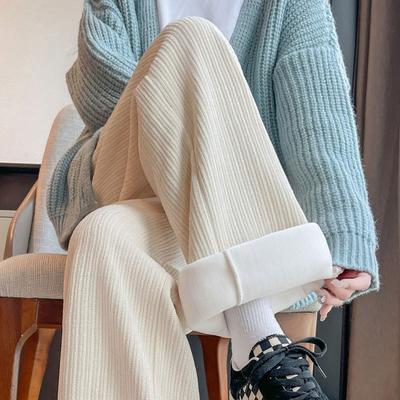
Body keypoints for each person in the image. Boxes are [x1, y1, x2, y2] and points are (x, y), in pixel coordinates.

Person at [47, 1, 379, 399]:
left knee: (104, 237)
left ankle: (255, 337)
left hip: (168, 221)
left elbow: (319, 115)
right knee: (191, 39)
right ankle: (258, 337)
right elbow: (103, 95)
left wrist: (344, 236)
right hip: (120, 173)